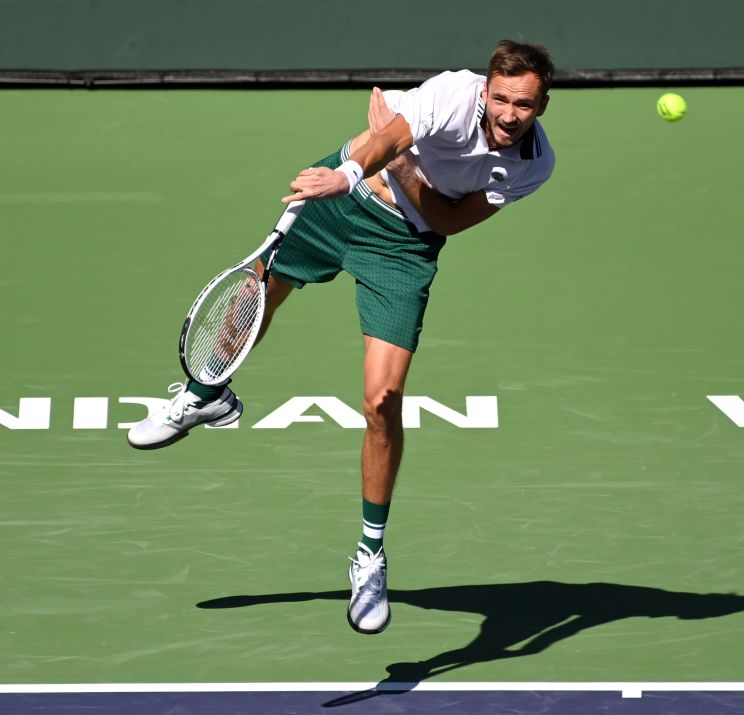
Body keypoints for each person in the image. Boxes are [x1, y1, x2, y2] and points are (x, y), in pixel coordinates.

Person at [127, 40, 556, 635]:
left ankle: (370, 556)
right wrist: (354, 169)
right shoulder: (453, 93)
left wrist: (395, 166)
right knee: (259, 292)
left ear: (543, 104)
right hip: (345, 194)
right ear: (486, 90)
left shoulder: (534, 164)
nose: (510, 114)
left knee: (383, 401)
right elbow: (383, 139)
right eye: (502, 99)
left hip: (402, 248)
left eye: (525, 104)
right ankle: (207, 393)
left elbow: (449, 220)